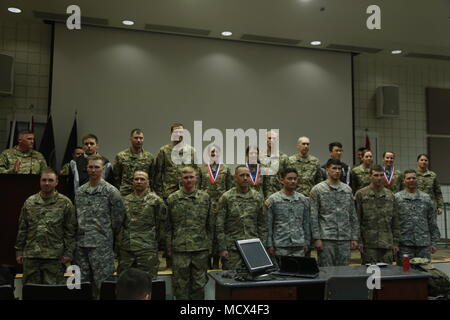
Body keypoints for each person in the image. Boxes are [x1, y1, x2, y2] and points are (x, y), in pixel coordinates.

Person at [74, 155, 126, 299]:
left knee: (103, 286)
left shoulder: (111, 191)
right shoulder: (80, 192)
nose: (93, 170)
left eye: (97, 167)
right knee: (82, 286)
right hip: (81, 246)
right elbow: (76, 218)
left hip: (101, 246)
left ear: (103, 169)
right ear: (86, 169)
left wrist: (105, 234)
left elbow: (118, 219)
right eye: (90, 167)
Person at [15, 168, 76, 284]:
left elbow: (70, 230)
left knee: (53, 293)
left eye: (50, 180)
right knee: (31, 292)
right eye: (44, 180)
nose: (47, 183)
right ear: (40, 181)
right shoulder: (30, 202)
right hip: (32, 255)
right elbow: (23, 228)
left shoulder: (65, 203)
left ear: (56, 182)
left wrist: (69, 253)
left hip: (54, 257)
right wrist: (19, 251)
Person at [166, 166, 211, 300]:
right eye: (185, 177)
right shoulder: (172, 199)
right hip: (180, 249)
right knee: (180, 286)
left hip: (200, 249)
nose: (189, 180)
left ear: (196, 178)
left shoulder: (205, 197)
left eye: (191, 177)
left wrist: (210, 246)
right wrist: (168, 248)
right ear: (180, 179)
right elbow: (168, 227)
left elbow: (210, 224)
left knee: (199, 285)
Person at [216, 165, 267, 270]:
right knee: (232, 280)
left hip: (253, 246)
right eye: (242, 175)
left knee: (254, 281)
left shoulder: (257, 197)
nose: (245, 178)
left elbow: (262, 224)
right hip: (233, 249)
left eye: (247, 175)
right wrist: (222, 248)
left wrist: (263, 246)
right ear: (235, 177)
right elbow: (219, 225)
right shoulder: (227, 197)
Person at [310, 159, 359, 267]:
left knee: (344, 272)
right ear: (327, 170)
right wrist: (316, 238)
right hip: (326, 238)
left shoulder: (347, 190)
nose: (337, 171)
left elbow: (352, 215)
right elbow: (313, 216)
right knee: (326, 271)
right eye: (334, 168)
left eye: (339, 169)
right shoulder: (317, 189)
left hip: (344, 238)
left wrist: (354, 237)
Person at [118, 171, 165, 279]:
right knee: (125, 283)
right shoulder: (124, 200)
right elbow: (120, 224)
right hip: (127, 249)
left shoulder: (156, 201)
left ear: (148, 182)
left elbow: (161, 226)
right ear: (132, 182)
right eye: (136, 179)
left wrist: (154, 242)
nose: (139, 182)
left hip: (147, 249)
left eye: (142, 179)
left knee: (148, 282)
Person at [355, 165, 399, 264]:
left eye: (381, 175)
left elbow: (395, 221)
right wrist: (359, 241)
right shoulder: (361, 194)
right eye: (376, 175)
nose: (379, 178)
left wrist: (395, 242)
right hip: (369, 244)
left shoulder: (390, 195)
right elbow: (357, 220)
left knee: (388, 275)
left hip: (387, 243)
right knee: (371, 276)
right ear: (370, 176)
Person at [395, 170, 440, 264]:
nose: (411, 180)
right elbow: (393, 222)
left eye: (413, 178)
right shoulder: (397, 198)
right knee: (405, 273)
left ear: (417, 180)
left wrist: (434, 242)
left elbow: (432, 221)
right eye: (408, 178)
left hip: (424, 245)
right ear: (403, 181)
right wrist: (394, 243)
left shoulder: (426, 198)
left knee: (424, 273)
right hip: (404, 245)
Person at [198, 145, 232, 269]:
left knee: (219, 232)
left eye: (215, 151)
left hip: (221, 205)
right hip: (206, 205)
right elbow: (198, 188)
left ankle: (217, 259)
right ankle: (207, 259)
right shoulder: (201, 169)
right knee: (207, 231)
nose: (213, 153)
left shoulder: (226, 169)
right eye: (211, 151)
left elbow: (230, 188)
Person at [266, 167, 311, 258]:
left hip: (299, 245)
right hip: (280, 245)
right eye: (289, 179)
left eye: (295, 179)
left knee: (298, 271)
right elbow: (269, 224)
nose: (293, 181)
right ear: (282, 180)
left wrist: (307, 242)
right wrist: (269, 244)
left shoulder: (302, 199)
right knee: (281, 271)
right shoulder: (273, 200)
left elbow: (306, 223)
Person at [154, 123, 197, 202]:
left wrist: (195, 192)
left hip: (187, 193)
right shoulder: (164, 151)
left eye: (180, 132)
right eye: (176, 132)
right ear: (171, 134)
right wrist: (159, 194)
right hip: (168, 193)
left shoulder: (191, 151)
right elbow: (158, 174)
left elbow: (196, 173)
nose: (178, 134)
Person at [113, 129, 156, 196]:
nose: (138, 140)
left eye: (141, 138)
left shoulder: (149, 157)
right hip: (126, 193)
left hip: (145, 194)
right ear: (130, 139)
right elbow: (116, 178)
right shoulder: (121, 156)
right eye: (136, 138)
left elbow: (152, 177)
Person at [261, 130, 289, 198]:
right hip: (262, 196)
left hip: (280, 195)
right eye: (269, 138)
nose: (272, 140)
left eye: (274, 138)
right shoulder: (259, 157)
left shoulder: (284, 158)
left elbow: (288, 178)